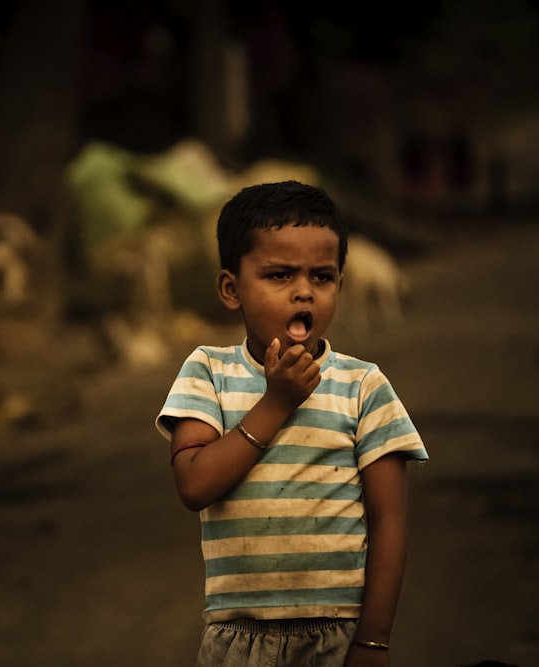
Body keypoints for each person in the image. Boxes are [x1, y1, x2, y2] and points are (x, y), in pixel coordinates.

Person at [155, 181, 429, 666]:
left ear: (340, 285)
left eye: (322, 277)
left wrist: (374, 641)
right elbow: (194, 484)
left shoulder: (364, 387)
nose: (304, 291)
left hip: (338, 637)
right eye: (280, 275)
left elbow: (389, 522)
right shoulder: (207, 373)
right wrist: (276, 402)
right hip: (237, 638)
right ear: (231, 289)